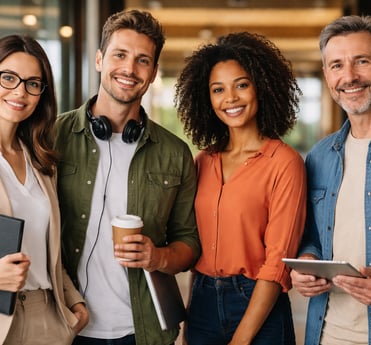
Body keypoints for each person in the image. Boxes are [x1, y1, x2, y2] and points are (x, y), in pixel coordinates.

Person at [54, 9, 201, 345]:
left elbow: (189, 243)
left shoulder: (175, 153)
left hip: (143, 331)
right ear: (99, 60)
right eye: (120, 55)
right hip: (64, 324)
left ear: (153, 73)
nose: (129, 69)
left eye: (142, 60)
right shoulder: (52, 136)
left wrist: (159, 257)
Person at [174, 31, 306, 345]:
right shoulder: (202, 162)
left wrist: (242, 338)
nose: (230, 98)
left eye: (241, 85)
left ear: (261, 87)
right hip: (203, 300)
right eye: (218, 89)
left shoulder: (284, 163)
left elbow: (278, 262)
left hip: (258, 302)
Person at [290, 15, 371, 345]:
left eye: (362, 61)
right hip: (327, 334)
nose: (349, 76)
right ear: (327, 75)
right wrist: (307, 264)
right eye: (337, 65)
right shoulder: (320, 156)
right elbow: (313, 235)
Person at [0, 35, 89, 345]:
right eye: (8, 77)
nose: (19, 92)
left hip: (47, 316)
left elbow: (47, 245)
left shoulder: (40, 160)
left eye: (33, 83)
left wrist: (72, 299)